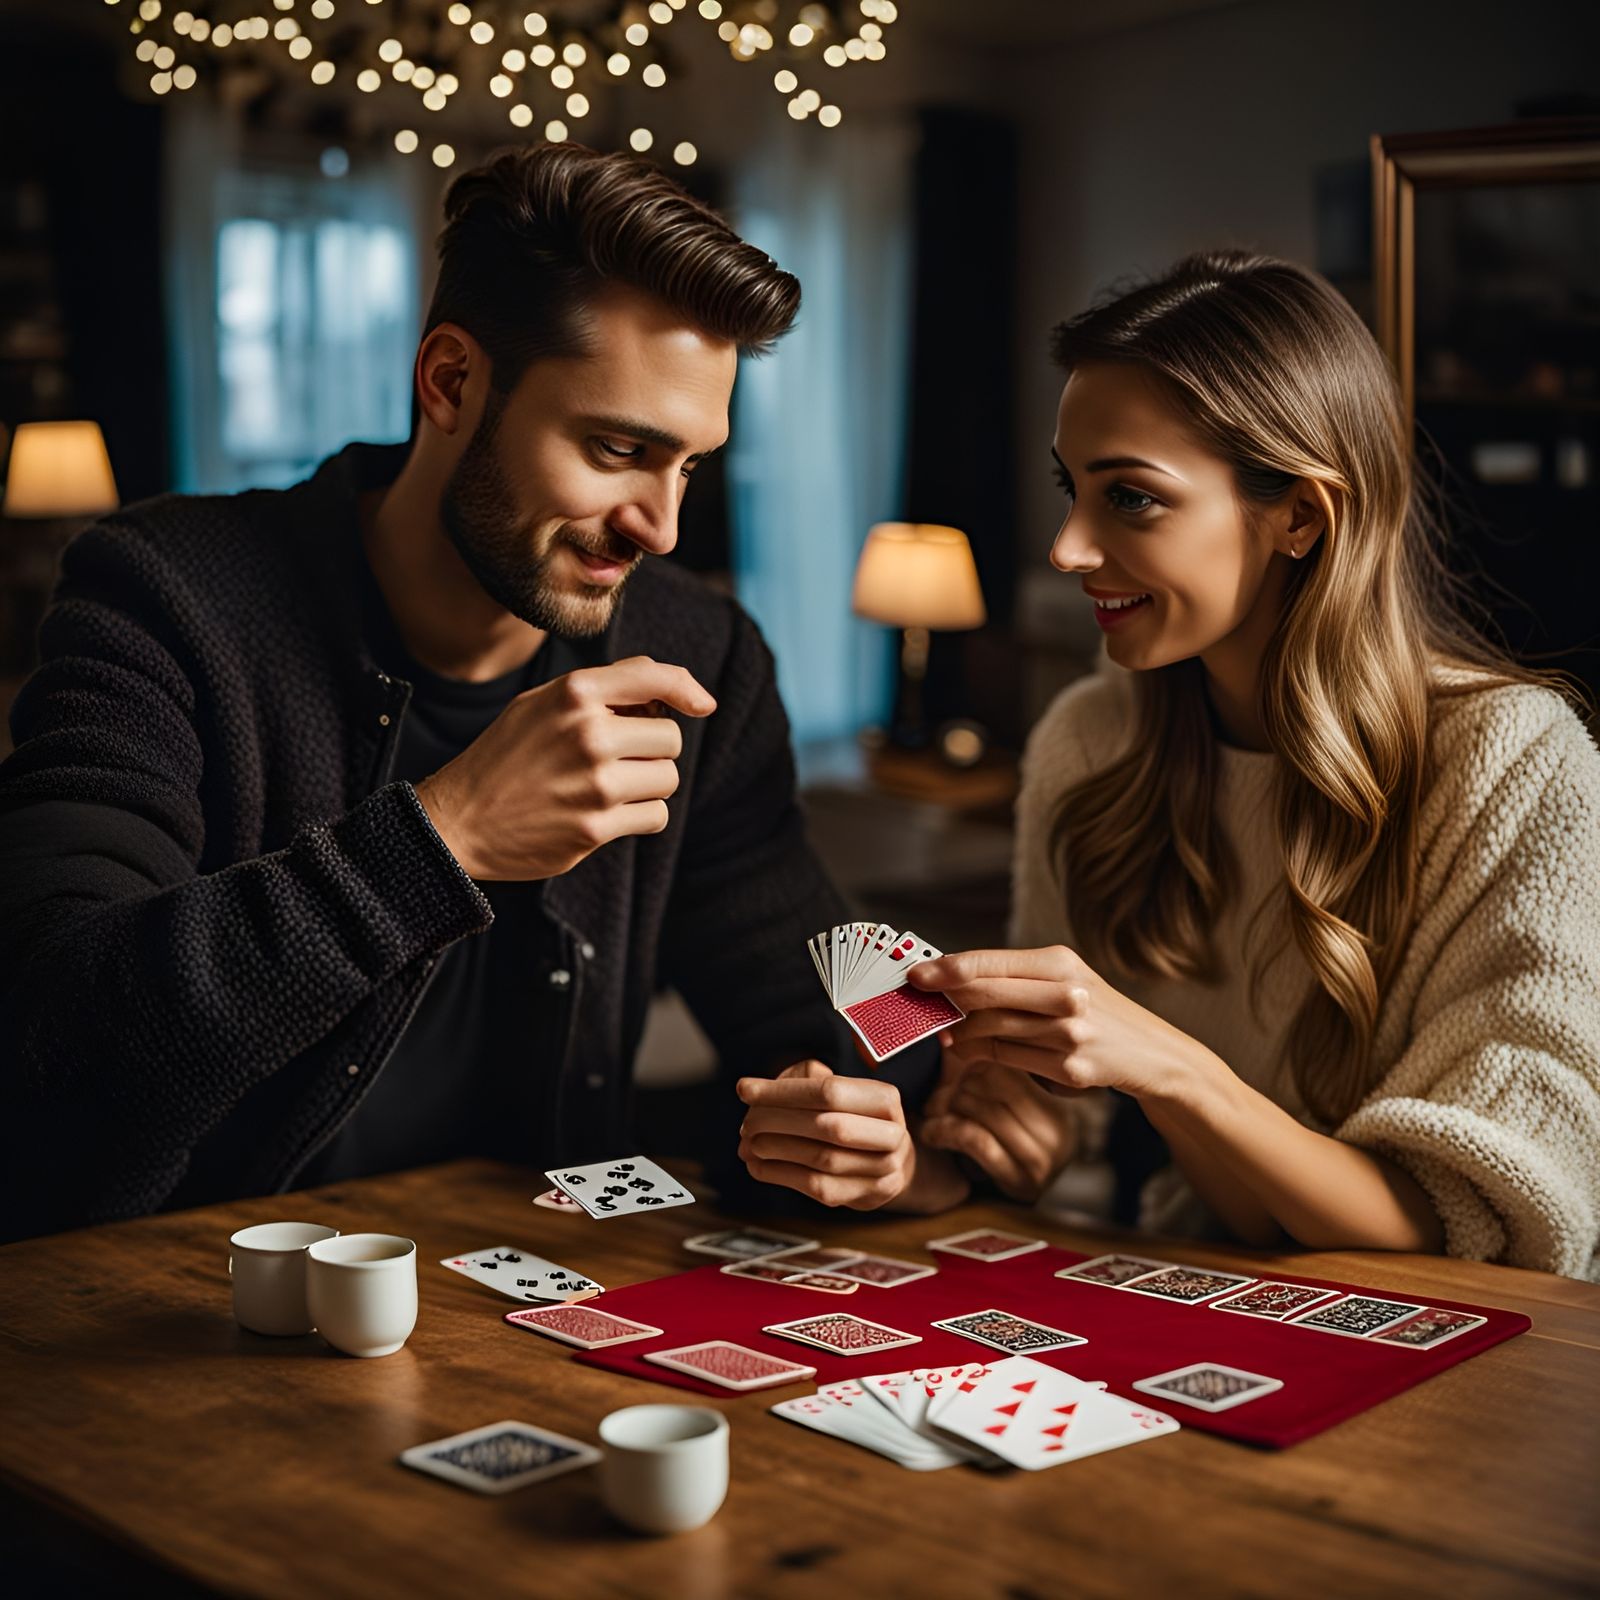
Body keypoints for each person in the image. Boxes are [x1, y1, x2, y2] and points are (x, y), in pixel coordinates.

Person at [0, 144, 968, 1241]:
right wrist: (444, 836)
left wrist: (940, 1090)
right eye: (616, 448)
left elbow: (805, 978)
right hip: (182, 1314)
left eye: (689, 465)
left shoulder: (699, 654)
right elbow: (50, 1045)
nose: (662, 527)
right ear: (451, 382)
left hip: (536, 1314)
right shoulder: (166, 596)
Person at [910, 250, 1600, 1279]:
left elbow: (1486, 1222)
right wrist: (1011, 1128)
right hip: (1193, 1297)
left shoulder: (1516, 763)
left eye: (1129, 498)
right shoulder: (1086, 739)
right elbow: (1079, 1117)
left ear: (1300, 518)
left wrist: (1174, 1072)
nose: (1065, 548)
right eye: (1070, 489)